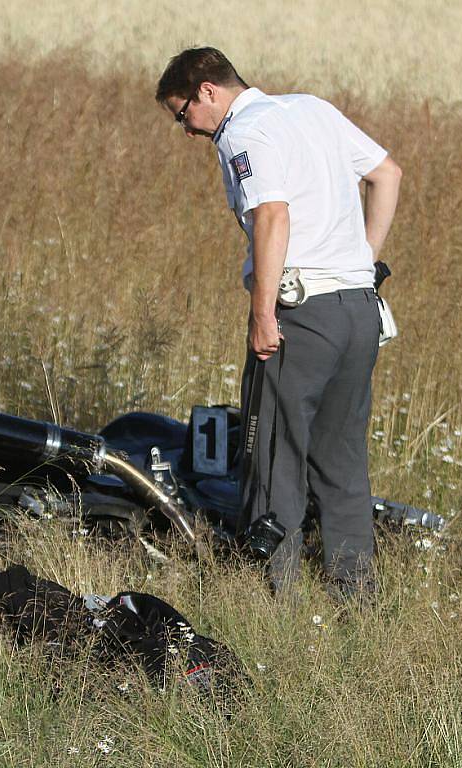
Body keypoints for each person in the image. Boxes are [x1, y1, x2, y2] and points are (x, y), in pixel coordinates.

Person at [156, 48, 402, 599]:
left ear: (207, 91)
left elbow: (272, 214)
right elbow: (387, 174)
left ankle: (277, 602)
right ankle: (354, 596)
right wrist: (361, 260)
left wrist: (263, 313)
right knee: (342, 458)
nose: (188, 131)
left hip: (302, 315)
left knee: (273, 455)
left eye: (182, 115)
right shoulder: (311, 109)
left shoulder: (245, 133)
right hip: (359, 308)